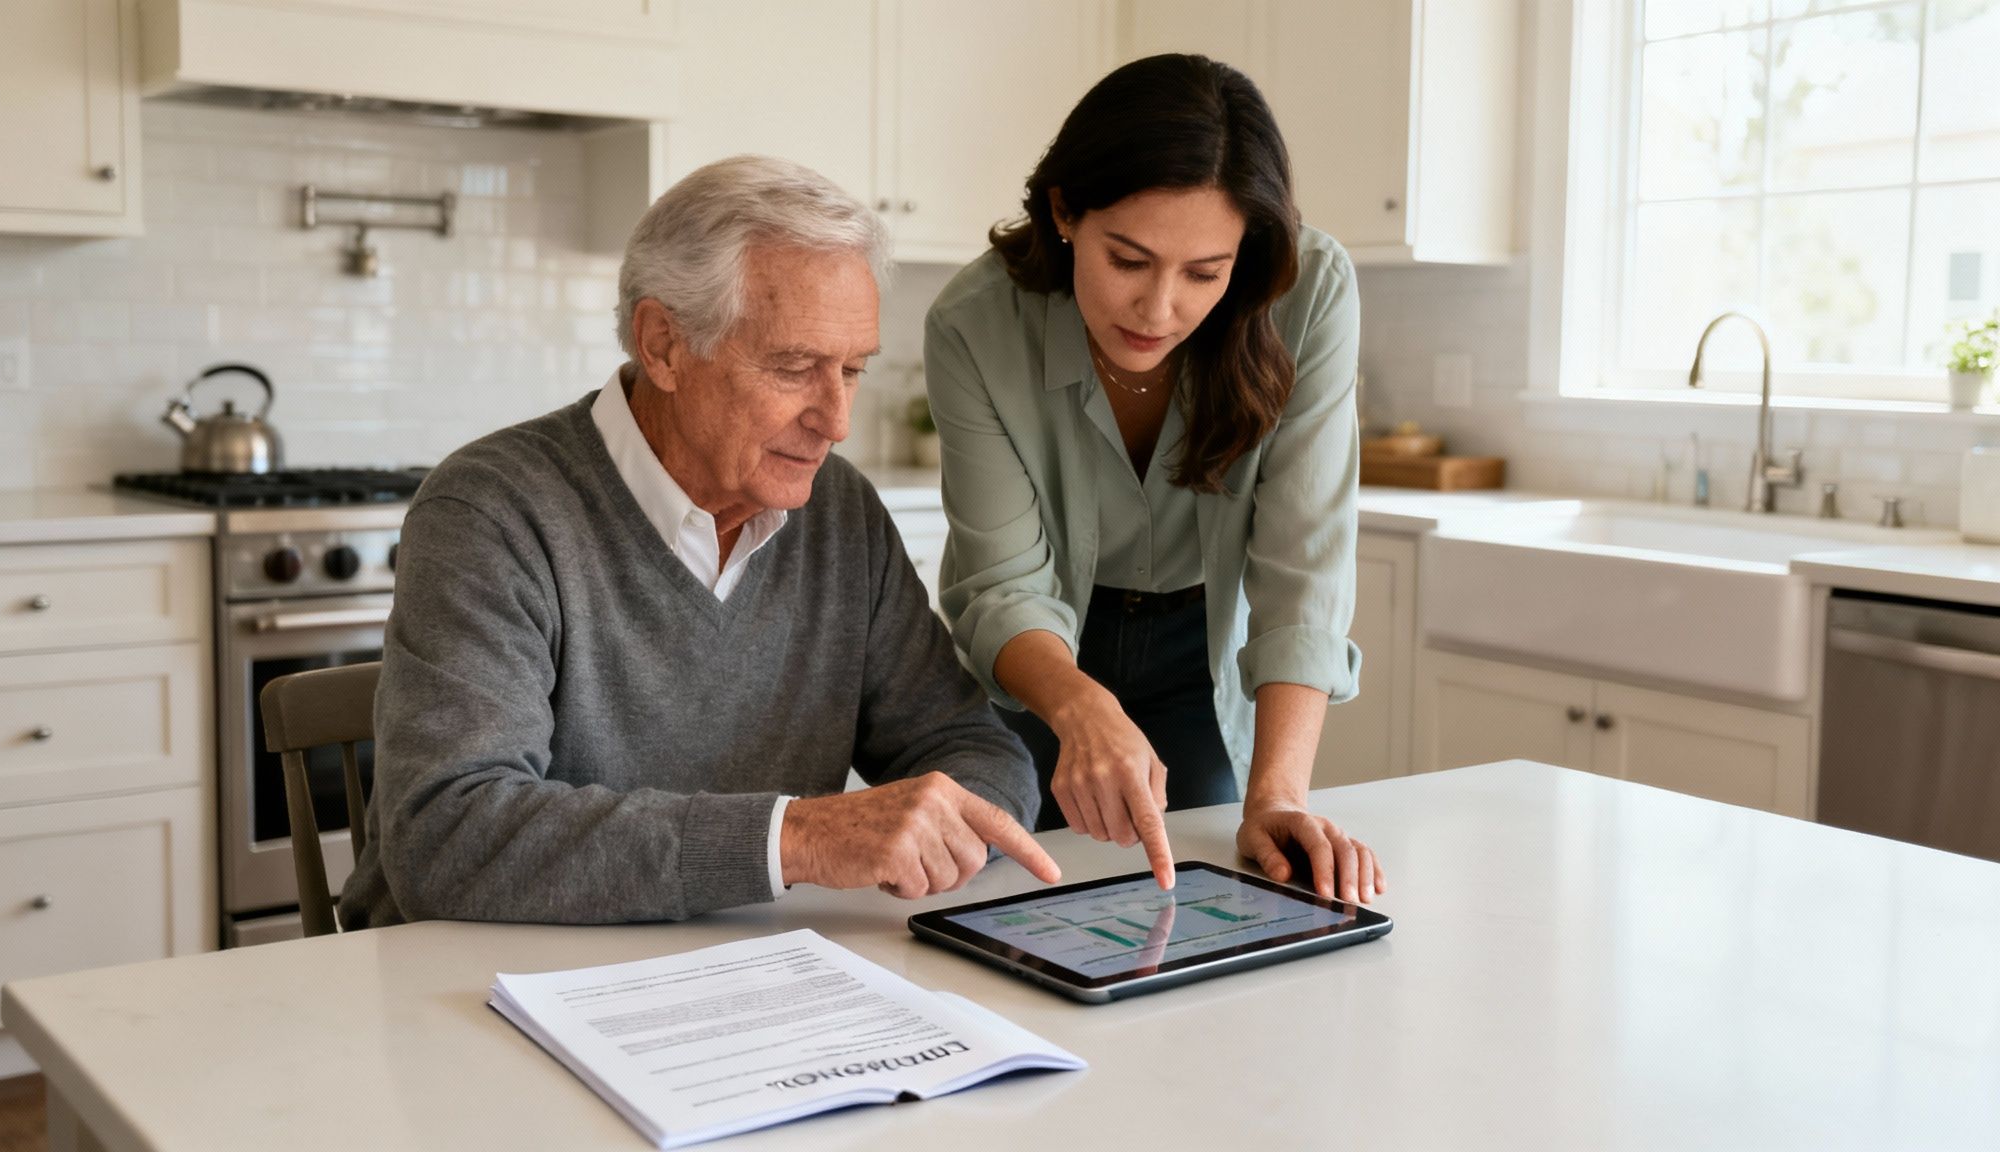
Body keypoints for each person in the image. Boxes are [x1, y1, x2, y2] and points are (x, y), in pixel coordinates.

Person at [337, 155, 1059, 929]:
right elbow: (447, 839)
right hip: (472, 990)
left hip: (741, 978)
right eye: (793, 368)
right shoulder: (492, 511)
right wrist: (798, 839)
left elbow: (968, 747)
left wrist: (949, 827)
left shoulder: (840, 512)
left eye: (850, 370)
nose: (836, 419)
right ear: (663, 346)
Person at [924, 54, 1384, 904]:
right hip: (1039, 656)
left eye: (1205, 273)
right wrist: (1079, 704)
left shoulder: (1309, 292)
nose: (1158, 308)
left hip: (1198, 646)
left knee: (1201, 893)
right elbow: (1002, 583)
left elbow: (1302, 569)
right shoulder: (976, 322)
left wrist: (1279, 796)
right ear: (1065, 211)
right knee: (997, 897)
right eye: (1128, 260)